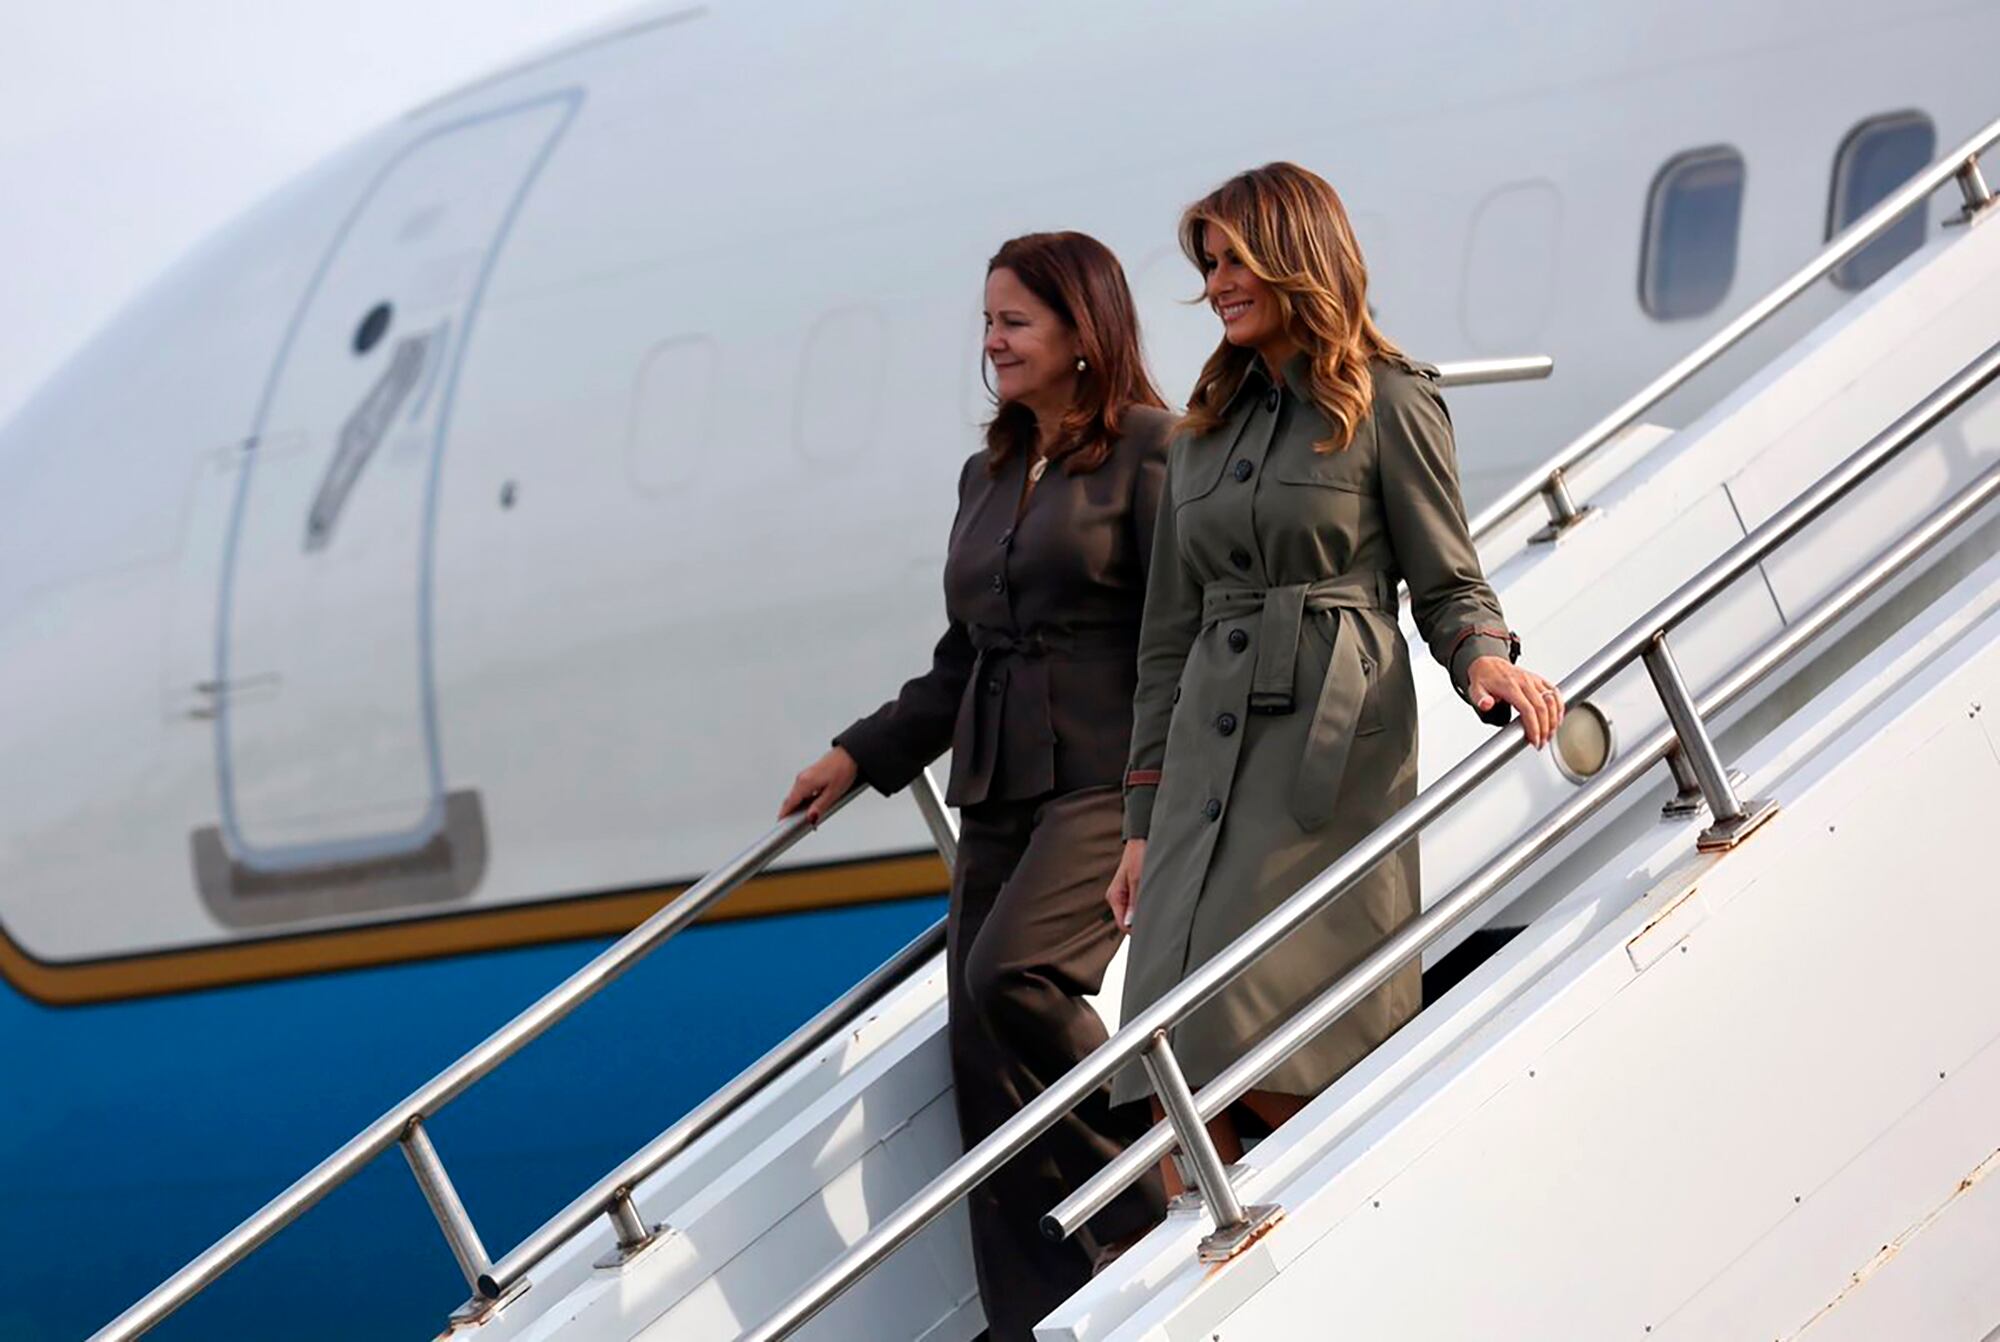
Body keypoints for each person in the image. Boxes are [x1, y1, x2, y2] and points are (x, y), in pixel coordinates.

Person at [1105, 163, 1564, 1170]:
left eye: (1236, 259)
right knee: (1165, 1031)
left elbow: (1446, 579)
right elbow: (1163, 640)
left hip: (1323, 743)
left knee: (1276, 1025)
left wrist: (1484, 661)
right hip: (1198, 762)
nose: (1217, 281)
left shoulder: (1390, 400)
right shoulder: (1198, 437)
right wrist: (1140, 820)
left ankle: (1359, 1200)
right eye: (1209, 263)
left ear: (1294, 258)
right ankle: (1194, 1255)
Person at [780, 231, 1170, 1340]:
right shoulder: (990, 472)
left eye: (1015, 322)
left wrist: (1159, 784)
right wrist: (862, 750)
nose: (990, 341)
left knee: (1020, 977)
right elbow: (964, 653)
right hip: (997, 780)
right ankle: (1029, 1316)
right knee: (979, 1054)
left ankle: (1147, 1197)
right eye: (987, 321)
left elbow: (1178, 630)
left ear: (1081, 333)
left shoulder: (1152, 451)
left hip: (1105, 774)